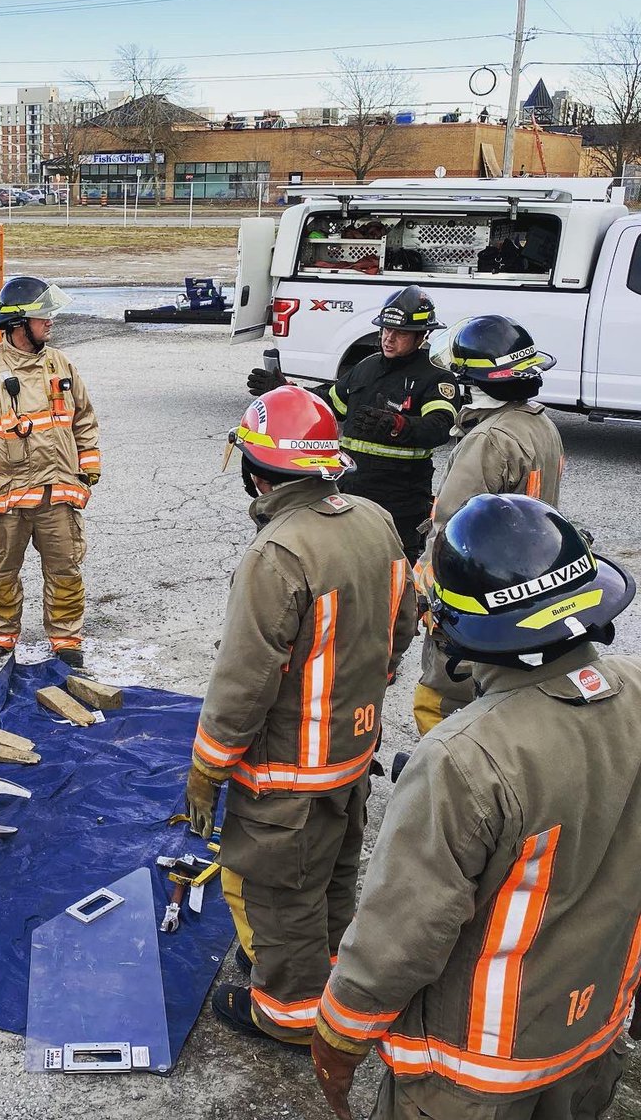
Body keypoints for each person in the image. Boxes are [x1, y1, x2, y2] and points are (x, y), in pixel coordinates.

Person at [313, 493, 640, 1120]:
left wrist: (339, 1031)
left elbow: (402, 933)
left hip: (476, 1077)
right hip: (592, 1041)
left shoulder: (465, 760)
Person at [184, 385, 417, 1047]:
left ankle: (288, 1016)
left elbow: (244, 682)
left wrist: (208, 768)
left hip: (287, 777)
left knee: (281, 895)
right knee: (334, 879)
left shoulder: (278, 552)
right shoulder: (376, 520)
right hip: (350, 759)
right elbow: (403, 623)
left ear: (259, 472)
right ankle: (331, 979)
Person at [413, 315, 564, 734]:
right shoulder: (540, 424)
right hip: (527, 574)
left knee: (447, 696)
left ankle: (446, 777)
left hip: (480, 585)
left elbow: (451, 528)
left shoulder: (487, 439)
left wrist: (428, 592)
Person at [248, 286, 459, 563]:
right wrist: (287, 390)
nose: (389, 338)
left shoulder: (435, 377)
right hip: (348, 492)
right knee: (344, 564)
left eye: (401, 333)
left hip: (400, 501)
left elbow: (440, 426)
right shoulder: (367, 367)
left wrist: (398, 425)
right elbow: (328, 403)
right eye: (385, 330)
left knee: (393, 570)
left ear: (422, 336)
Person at [0, 275, 101, 669]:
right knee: (1, 571)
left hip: (59, 493)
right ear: (18, 324)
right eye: (42, 317)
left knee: (66, 569)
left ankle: (66, 637)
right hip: (6, 495)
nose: (50, 323)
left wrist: (88, 467)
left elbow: (83, 417)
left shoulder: (60, 362)